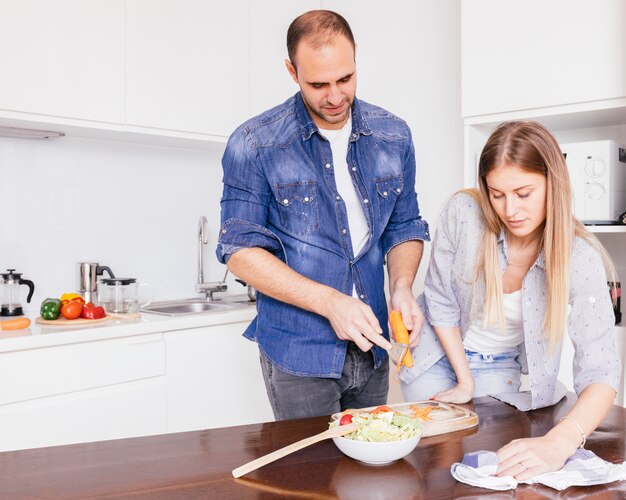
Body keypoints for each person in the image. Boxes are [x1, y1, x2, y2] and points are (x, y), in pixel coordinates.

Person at [216, 10, 430, 420]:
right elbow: (239, 249)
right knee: (310, 478)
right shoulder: (253, 143)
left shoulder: (394, 135)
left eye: (345, 79)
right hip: (299, 353)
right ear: (292, 72)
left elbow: (404, 226)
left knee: (370, 472)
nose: (334, 96)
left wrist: (401, 286)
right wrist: (330, 302)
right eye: (318, 84)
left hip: (373, 349)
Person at [400, 120, 621, 479]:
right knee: (433, 472)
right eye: (497, 194)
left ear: (554, 183)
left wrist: (561, 441)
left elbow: (601, 370)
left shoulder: (579, 257)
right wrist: (464, 381)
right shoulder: (463, 214)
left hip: (498, 366)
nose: (509, 210)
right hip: (437, 354)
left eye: (524, 192)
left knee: (492, 468)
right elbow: (440, 301)